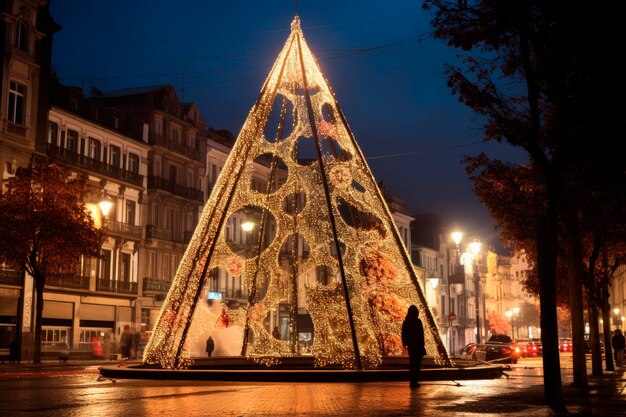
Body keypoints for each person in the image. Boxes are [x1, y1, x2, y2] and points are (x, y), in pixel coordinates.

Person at [402, 305, 426, 388]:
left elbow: (403, 333)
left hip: (411, 346)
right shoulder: (418, 321)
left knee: (412, 364)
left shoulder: (406, 321)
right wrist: (422, 345)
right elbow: (421, 334)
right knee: (417, 364)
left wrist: (405, 343)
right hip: (418, 345)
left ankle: (412, 381)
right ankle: (415, 381)